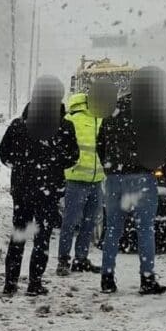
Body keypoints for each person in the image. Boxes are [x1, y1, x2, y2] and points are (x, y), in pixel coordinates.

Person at [0, 76, 80, 296]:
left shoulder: (18, 125)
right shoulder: (65, 127)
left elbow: (4, 154)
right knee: (42, 237)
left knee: (19, 234)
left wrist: (21, 167)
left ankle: (10, 283)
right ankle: (35, 283)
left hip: (22, 190)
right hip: (49, 190)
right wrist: (53, 166)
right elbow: (72, 157)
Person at [96, 66, 166, 295]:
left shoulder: (113, 108)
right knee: (145, 229)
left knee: (112, 229)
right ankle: (147, 279)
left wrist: (110, 167)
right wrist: (164, 170)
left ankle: (107, 279)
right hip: (142, 177)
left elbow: (101, 143)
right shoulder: (155, 110)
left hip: (114, 178)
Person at [55, 82, 115, 275]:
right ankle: (64, 261)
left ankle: (79, 260)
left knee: (87, 223)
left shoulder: (100, 119)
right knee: (72, 222)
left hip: (95, 180)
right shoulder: (72, 118)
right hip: (77, 180)